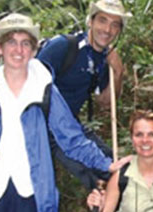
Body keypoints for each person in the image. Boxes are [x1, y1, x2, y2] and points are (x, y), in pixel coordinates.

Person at [0, 13, 131, 212]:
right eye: (11, 42)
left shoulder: (45, 90)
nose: (18, 50)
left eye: (25, 43)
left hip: (34, 195)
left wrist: (107, 164)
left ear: (33, 50)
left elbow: (72, 139)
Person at [36, 0, 132, 191]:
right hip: (44, 127)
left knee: (120, 169)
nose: (107, 29)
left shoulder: (104, 59)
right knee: (93, 177)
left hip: (71, 126)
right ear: (90, 21)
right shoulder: (63, 46)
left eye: (115, 25)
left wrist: (118, 72)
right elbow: (31, 84)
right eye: (102, 21)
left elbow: (105, 103)